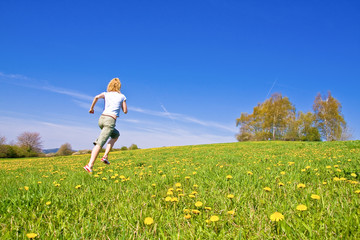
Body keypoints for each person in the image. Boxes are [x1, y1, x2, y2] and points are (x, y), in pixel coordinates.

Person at [83, 78, 127, 172]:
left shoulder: (106, 94)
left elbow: (96, 97)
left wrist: (91, 109)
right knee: (100, 143)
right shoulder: (122, 96)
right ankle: (89, 165)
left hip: (101, 119)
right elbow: (125, 111)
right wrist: (122, 104)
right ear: (119, 86)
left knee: (115, 135)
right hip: (110, 121)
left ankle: (105, 156)